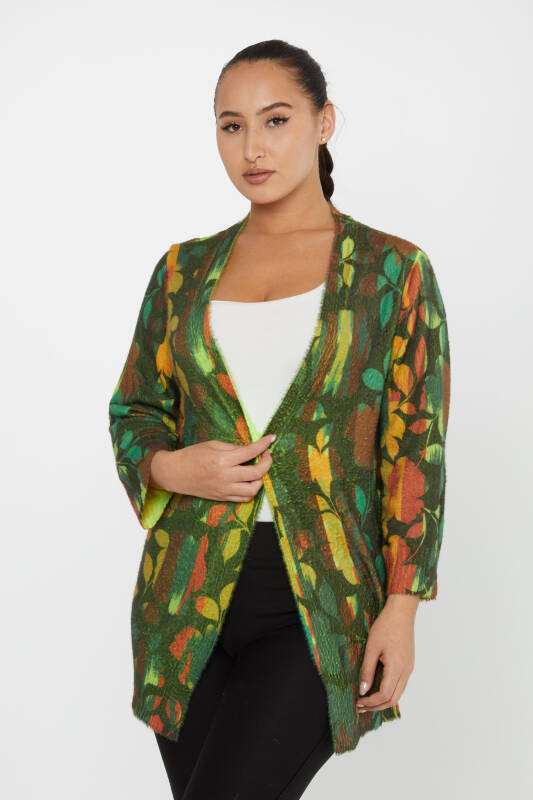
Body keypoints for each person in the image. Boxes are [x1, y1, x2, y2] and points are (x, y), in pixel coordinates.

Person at [108, 39, 451, 800]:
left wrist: (402, 609)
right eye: (231, 126)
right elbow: (134, 408)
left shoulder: (392, 272)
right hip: (184, 599)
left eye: (275, 119)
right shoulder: (181, 271)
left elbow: (415, 450)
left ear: (323, 122)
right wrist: (171, 466)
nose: (252, 148)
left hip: (319, 599)